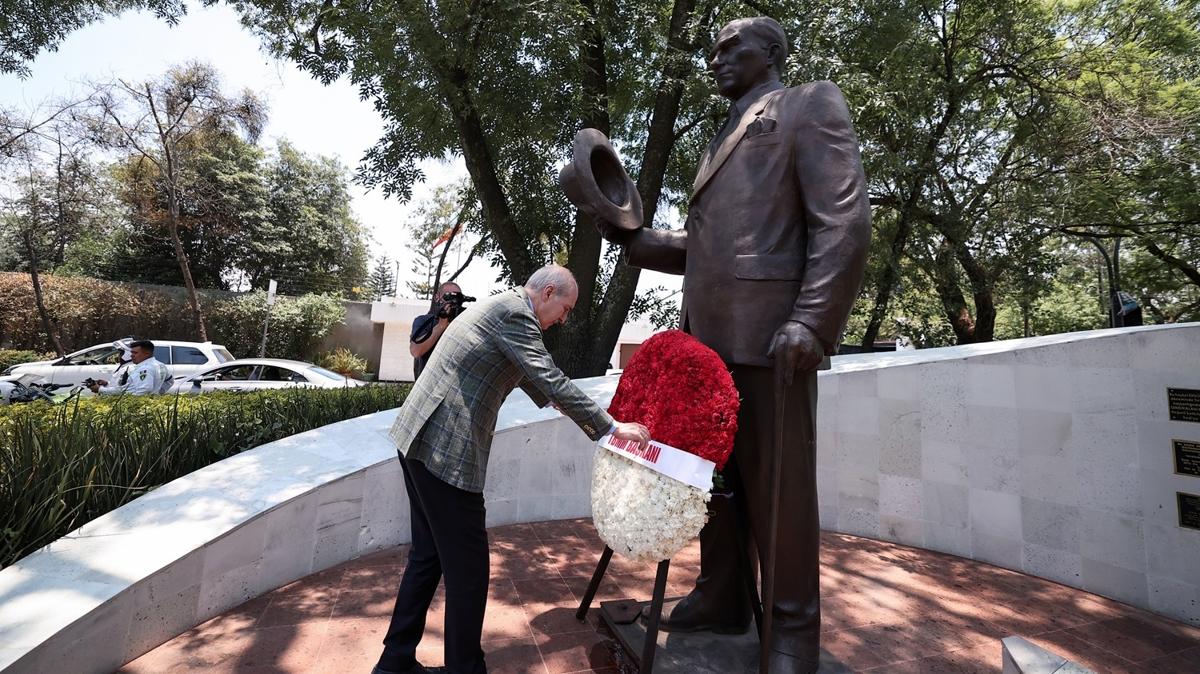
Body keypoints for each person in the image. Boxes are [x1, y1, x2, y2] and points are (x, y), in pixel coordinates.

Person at [598, 16, 871, 674]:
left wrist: (811, 319)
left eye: (730, 47)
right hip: (708, 345)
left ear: (770, 52)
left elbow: (845, 217)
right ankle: (722, 600)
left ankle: (791, 633)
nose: (715, 59)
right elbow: (708, 248)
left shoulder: (808, 105)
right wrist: (634, 239)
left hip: (774, 342)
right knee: (713, 488)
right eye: (712, 49)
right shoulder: (723, 133)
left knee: (781, 499)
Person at [375, 264, 651, 674]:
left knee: (428, 556)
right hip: (445, 452)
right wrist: (611, 428)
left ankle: (395, 661)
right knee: (469, 573)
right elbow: (551, 380)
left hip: (419, 438)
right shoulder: (516, 313)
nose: (564, 318)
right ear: (549, 291)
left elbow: (540, 386)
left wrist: (594, 422)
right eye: (566, 308)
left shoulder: (503, 312)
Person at [409, 281, 468, 380]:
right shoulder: (425, 321)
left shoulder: (465, 322)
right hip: (430, 387)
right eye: (448, 297)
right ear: (437, 298)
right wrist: (441, 326)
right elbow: (416, 351)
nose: (453, 302)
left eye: (457, 298)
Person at [89, 340, 173, 396]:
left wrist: (101, 390)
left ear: (147, 353)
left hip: (137, 407)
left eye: (135, 353)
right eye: (131, 352)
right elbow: (170, 381)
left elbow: (143, 390)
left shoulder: (145, 369)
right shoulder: (160, 365)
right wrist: (157, 394)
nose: (131, 355)